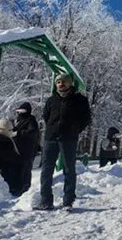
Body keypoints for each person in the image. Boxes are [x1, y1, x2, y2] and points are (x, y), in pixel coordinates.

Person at [36, 73, 91, 211]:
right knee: (46, 170)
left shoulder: (80, 100)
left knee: (69, 169)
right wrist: (51, 128)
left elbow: (86, 119)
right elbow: (46, 116)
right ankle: (46, 201)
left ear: (70, 83)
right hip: (51, 138)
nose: (61, 84)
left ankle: (68, 201)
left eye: (64, 82)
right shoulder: (51, 100)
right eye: (58, 82)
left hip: (68, 138)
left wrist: (74, 130)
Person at [13, 102, 39, 194]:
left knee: (26, 168)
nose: (20, 113)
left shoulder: (31, 120)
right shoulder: (17, 120)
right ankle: (18, 186)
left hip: (28, 148)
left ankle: (25, 187)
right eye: (19, 111)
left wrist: (19, 133)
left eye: (22, 111)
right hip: (18, 147)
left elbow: (32, 132)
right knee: (19, 167)